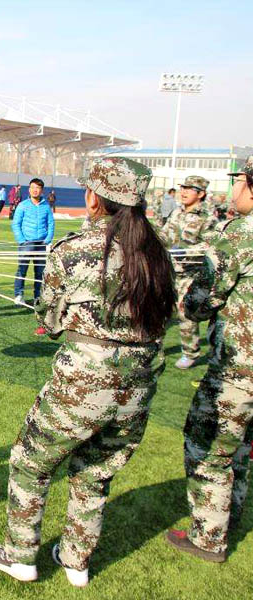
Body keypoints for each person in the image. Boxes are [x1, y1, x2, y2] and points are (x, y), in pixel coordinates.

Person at [0, 157, 176, 587]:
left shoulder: (74, 250)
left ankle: (20, 555)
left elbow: (50, 321)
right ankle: (76, 561)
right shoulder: (158, 253)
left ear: (95, 198)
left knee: (30, 462)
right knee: (95, 472)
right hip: (139, 385)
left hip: (84, 383)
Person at [166, 156, 253, 563]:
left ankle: (208, 536)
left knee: (208, 444)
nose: (234, 189)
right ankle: (230, 517)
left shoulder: (242, 233)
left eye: (238, 181)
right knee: (241, 445)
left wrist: (188, 301)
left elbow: (203, 300)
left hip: (240, 366)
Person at [159, 175, 219, 369]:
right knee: (161, 309)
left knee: (185, 313)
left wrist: (185, 252)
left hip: (191, 274)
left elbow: (210, 246)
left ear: (200, 194)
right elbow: (165, 234)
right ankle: (155, 344)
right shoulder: (177, 212)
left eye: (189, 189)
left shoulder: (207, 218)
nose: (183, 192)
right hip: (170, 270)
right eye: (182, 187)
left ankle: (190, 353)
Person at [11, 178, 55, 318]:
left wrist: (48, 239)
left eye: (38, 188)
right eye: (33, 187)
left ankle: (37, 297)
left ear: (42, 190)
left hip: (41, 244)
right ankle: (19, 295)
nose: (35, 190)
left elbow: (51, 223)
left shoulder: (46, 206)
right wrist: (21, 240)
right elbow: (16, 224)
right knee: (22, 270)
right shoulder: (23, 205)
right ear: (29, 190)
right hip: (27, 243)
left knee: (40, 273)